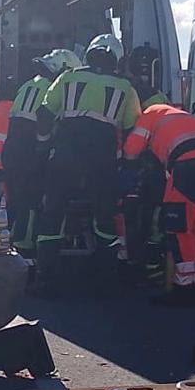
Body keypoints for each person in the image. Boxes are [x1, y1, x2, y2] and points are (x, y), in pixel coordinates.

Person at [34, 34, 141, 271]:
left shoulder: (68, 77)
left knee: (52, 213)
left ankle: (45, 276)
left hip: (65, 155)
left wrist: (43, 147)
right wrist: (129, 165)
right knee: (105, 218)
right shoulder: (125, 87)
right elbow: (133, 129)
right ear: (117, 59)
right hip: (102, 162)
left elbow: (44, 115)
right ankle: (105, 276)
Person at [125, 103, 195, 305]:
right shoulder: (179, 115)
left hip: (185, 164)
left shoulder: (149, 114)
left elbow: (131, 151)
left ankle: (182, 288)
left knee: (180, 229)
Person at [2, 48, 79, 251]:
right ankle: (25, 248)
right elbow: (50, 121)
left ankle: (11, 241)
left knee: (16, 198)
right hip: (31, 149)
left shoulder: (28, 85)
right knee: (32, 199)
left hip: (11, 148)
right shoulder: (54, 88)